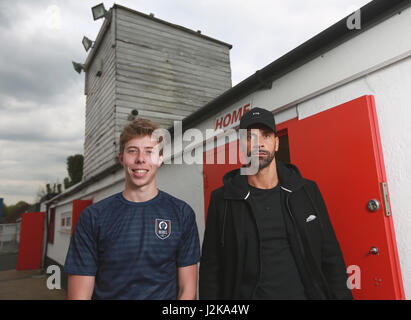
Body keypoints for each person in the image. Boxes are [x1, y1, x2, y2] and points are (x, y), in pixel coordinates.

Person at [199, 107, 353, 300]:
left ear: (276, 143)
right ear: (241, 145)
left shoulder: (306, 191)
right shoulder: (222, 199)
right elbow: (210, 269)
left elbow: (331, 255)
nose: (259, 144)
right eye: (250, 137)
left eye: (266, 136)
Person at [64, 118, 200, 300]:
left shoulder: (182, 214)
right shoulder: (93, 217)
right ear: (121, 158)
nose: (140, 159)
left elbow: (187, 291)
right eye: (132, 151)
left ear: (160, 158)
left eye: (149, 152)